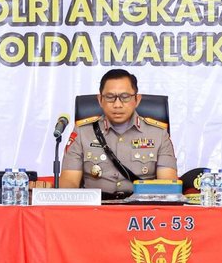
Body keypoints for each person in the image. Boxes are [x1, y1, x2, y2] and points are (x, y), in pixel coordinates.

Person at [58, 68, 177, 197]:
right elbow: (68, 182)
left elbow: (168, 187)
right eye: (110, 97)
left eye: (125, 97)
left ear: (137, 99)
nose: (117, 105)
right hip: (96, 207)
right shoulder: (82, 133)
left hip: (140, 207)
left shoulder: (159, 134)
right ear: (100, 99)